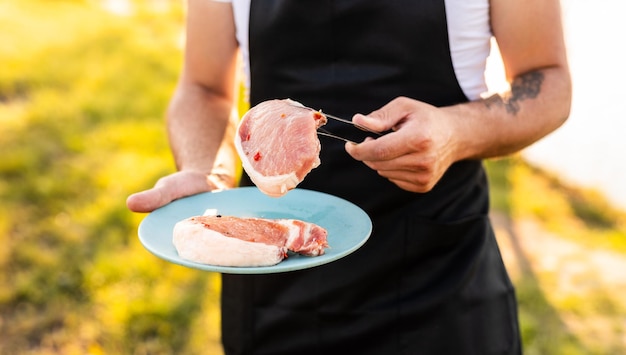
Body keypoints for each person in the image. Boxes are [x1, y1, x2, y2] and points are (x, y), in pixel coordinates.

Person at [127, 0, 571, 353]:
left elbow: (548, 81)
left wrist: (457, 132)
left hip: (438, 280)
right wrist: (208, 171)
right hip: (274, 280)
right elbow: (203, 87)